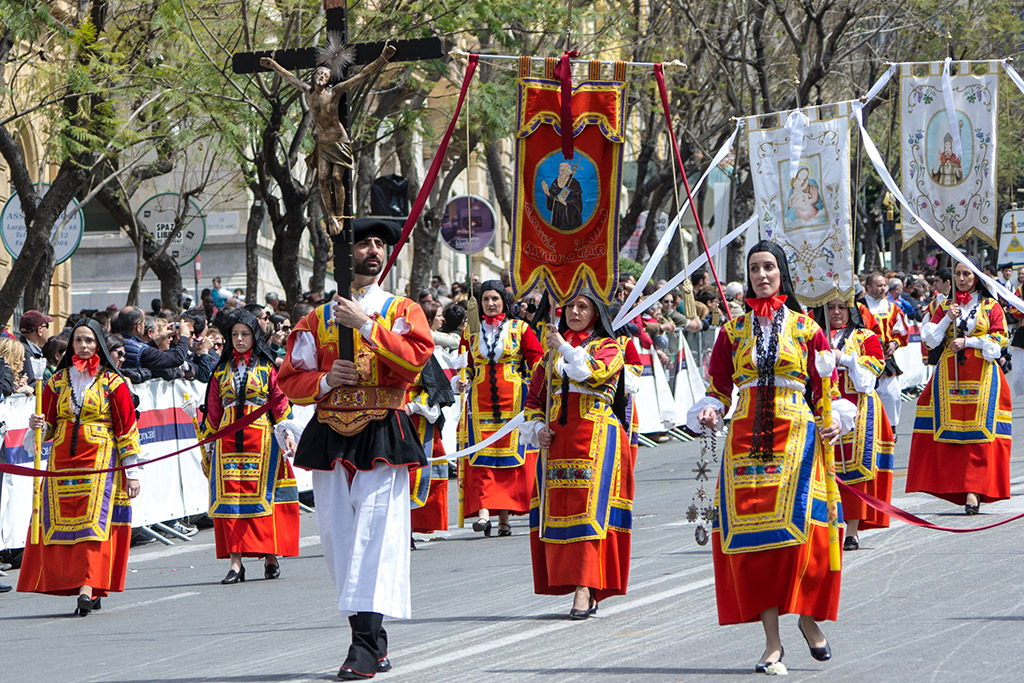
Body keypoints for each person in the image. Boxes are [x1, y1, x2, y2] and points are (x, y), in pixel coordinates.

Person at [277, 218, 433, 680]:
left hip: (382, 429)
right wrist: (326, 380)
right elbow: (290, 379)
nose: (373, 251)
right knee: (338, 537)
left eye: (379, 244)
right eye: (363, 244)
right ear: (341, 258)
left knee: (376, 535)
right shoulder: (315, 319)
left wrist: (365, 325)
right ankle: (372, 641)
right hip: (330, 431)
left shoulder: (401, 309)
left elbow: (414, 361)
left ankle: (363, 647)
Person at [688, 241, 852, 672]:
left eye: (769, 267)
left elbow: (826, 390)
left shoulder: (807, 329)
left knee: (806, 534)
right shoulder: (732, 332)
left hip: (798, 439)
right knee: (755, 542)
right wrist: (711, 409)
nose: (762, 275)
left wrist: (835, 421)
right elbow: (718, 388)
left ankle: (808, 617)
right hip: (744, 441)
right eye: (755, 268)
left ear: (782, 274)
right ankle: (772, 642)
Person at [18, 319, 142, 615]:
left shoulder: (113, 383)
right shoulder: (57, 382)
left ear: (98, 344)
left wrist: (132, 474)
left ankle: (87, 586)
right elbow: (47, 425)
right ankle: (80, 582)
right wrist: (36, 425)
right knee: (64, 525)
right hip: (61, 462)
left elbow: (126, 428)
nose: (84, 346)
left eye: (89, 340)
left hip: (101, 461)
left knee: (93, 526)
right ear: (71, 345)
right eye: (78, 340)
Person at [522, 292, 633, 619]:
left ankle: (585, 588)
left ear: (596, 313)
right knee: (559, 512)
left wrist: (564, 347)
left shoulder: (610, 347)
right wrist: (538, 428)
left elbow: (593, 373)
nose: (574, 311)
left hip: (597, 437)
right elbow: (534, 401)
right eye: (569, 306)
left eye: (582, 306)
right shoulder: (549, 356)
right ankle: (571, 580)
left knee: (590, 513)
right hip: (557, 442)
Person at [199, 310, 299, 583]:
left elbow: (280, 404)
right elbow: (213, 413)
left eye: (245, 334)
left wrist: (287, 435)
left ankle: (270, 556)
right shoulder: (220, 371)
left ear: (255, 336)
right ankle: (236, 563)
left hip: (263, 442)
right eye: (234, 334)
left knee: (263, 498)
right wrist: (208, 447)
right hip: (227, 443)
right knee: (230, 500)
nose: (240, 339)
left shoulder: (268, 369)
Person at [908, 259, 1011, 514]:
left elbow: (1000, 339)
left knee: (980, 434)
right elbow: (931, 340)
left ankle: (974, 491)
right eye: (957, 274)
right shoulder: (944, 305)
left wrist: (969, 342)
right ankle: (955, 485)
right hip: (949, 374)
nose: (961, 279)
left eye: (966, 274)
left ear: (976, 277)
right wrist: (947, 319)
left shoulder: (990, 306)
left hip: (982, 374)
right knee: (951, 434)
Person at [260, 46, 396, 235]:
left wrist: (382, 58)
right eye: (319, 74)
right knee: (323, 179)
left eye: (325, 75)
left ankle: (339, 216)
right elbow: (290, 77)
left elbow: (362, 75)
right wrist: (273, 65)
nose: (322, 77)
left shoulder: (335, 92)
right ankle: (331, 216)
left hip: (339, 141)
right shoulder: (308, 92)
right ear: (314, 76)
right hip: (323, 143)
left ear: (329, 80)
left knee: (336, 177)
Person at [455, 280, 544, 537]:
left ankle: (504, 519)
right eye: (485, 299)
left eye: (495, 298)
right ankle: (484, 513)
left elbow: (536, 359)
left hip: (514, 401)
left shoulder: (520, 328)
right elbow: (465, 365)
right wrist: (462, 379)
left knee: (508, 460)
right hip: (479, 403)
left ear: (504, 301)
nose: (490, 304)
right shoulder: (470, 333)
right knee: (481, 456)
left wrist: (540, 382)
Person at [814, 298, 894, 550]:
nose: (836, 312)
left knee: (854, 469)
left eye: (842, 307)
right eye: (830, 307)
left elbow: (869, 380)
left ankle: (852, 530)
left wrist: (845, 358)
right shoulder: (813, 334)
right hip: (822, 407)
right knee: (823, 468)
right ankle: (826, 525)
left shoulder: (865, 337)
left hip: (859, 409)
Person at [861, 272, 908, 428]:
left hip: (886, 359)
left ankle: (891, 429)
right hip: (864, 359)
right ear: (869, 287)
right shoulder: (858, 306)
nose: (883, 289)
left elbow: (901, 330)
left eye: (884, 285)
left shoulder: (892, 307)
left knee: (892, 394)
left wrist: (895, 343)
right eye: (879, 285)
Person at [540, 161, 584, 230]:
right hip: (557, 216)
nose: (560, 173)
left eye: (563, 171)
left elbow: (578, 205)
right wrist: (547, 193)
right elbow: (552, 202)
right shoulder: (555, 182)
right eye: (559, 170)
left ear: (568, 172)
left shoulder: (574, 184)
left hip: (570, 219)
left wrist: (566, 203)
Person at [18, 309, 52, 384]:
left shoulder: (29, 350)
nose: (48, 330)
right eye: (47, 326)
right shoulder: (25, 352)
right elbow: (32, 384)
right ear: (40, 330)